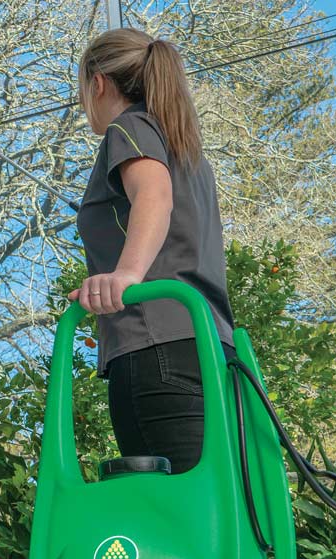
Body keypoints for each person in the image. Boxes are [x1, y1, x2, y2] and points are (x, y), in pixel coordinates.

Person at [71, 28, 236, 474]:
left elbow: (154, 198)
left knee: (175, 515)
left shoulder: (131, 127)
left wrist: (127, 275)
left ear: (99, 81)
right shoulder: (184, 147)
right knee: (212, 510)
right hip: (209, 348)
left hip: (155, 349)